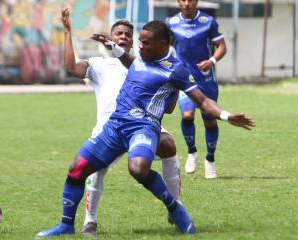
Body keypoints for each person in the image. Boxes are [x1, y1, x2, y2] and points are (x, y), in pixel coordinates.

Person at [36, 20, 254, 238]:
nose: (140, 45)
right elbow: (131, 61)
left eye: (145, 42)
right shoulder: (140, 58)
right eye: (139, 41)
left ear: (162, 43)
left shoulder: (176, 69)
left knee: (138, 168)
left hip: (144, 126)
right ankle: (66, 225)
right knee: (77, 169)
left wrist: (226, 116)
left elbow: (203, 101)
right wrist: (112, 46)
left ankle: (174, 206)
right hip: (114, 125)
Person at [59, 7, 181, 236]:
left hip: (144, 125)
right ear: (110, 39)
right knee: (94, 170)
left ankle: (175, 207)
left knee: (169, 144)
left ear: (135, 43)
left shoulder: (147, 66)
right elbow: (71, 68)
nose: (123, 37)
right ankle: (90, 221)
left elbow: (171, 108)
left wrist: (174, 82)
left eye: (128, 35)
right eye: (119, 33)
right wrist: (67, 31)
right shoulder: (99, 64)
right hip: (110, 128)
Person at [166, 0, 227, 179]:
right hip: (184, 78)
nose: (187, 3)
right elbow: (163, 46)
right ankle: (192, 153)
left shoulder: (208, 22)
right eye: (183, 0)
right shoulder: (171, 23)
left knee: (209, 120)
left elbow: (222, 46)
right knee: (187, 115)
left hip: (206, 80)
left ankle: (210, 160)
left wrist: (212, 61)